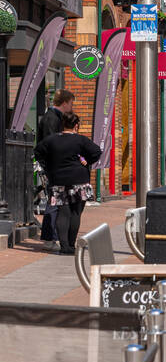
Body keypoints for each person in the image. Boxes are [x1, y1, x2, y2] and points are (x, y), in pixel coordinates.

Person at [35, 112, 101, 255]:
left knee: (63, 213)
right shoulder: (81, 140)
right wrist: (86, 161)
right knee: (75, 213)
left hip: (58, 180)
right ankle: (71, 245)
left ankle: (63, 246)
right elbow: (96, 152)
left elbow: (38, 152)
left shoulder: (51, 140)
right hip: (79, 180)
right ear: (76, 125)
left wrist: (49, 166)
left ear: (62, 124)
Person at [36, 88, 76, 247]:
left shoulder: (53, 117)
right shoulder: (52, 119)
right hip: (54, 168)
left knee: (56, 200)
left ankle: (50, 236)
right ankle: (49, 237)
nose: (72, 107)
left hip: (54, 166)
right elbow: (51, 144)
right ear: (65, 103)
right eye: (71, 103)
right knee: (54, 200)